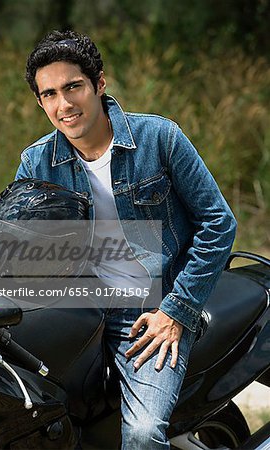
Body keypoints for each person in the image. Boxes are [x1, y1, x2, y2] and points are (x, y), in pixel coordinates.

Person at [16, 30, 237, 449]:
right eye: (49, 94)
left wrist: (176, 311)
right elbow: (21, 243)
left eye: (73, 87)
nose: (63, 105)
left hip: (150, 313)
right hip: (76, 313)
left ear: (99, 83)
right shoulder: (36, 161)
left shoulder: (160, 138)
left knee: (140, 432)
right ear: (40, 102)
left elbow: (219, 223)